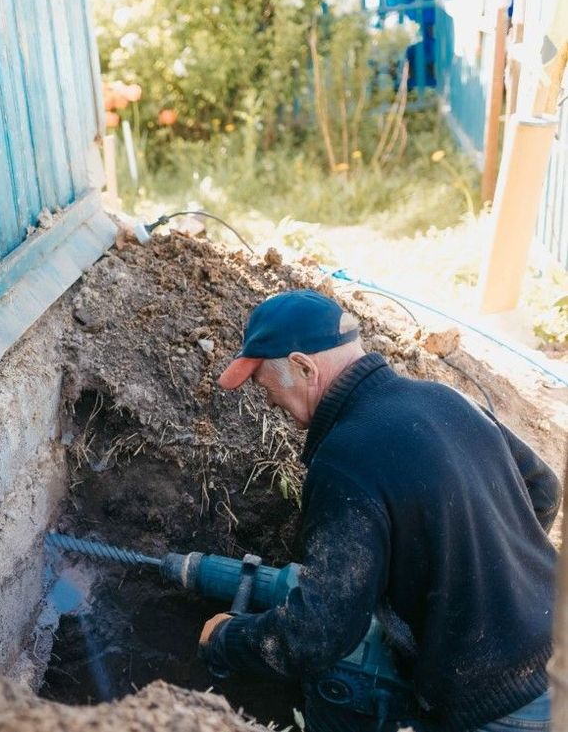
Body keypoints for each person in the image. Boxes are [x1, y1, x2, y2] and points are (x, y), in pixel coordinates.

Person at [198, 289, 562, 732]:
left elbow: (318, 634)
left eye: (262, 381)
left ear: (303, 366)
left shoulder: (346, 458)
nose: (266, 398)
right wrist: (485, 579)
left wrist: (225, 639)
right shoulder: (445, 398)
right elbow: (543, 489)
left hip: (505, 702)